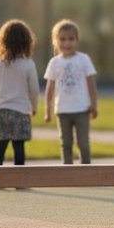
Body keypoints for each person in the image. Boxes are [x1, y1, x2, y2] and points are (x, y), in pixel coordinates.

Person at [43, 19, 98, 165]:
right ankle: (67, 173)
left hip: (82, 109)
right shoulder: (54, 63)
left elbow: (91, 85)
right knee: (65, 143)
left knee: (83, 143)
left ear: (77, 41)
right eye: (62, 39)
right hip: (62, 110)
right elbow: (50, 88)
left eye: (71, 39)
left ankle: (86, 171)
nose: (67, 43)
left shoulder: (84, 59)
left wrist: (94, 105)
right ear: (55, 41)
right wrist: (47, 110)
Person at [0, 19, 39, 168]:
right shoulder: (28, 64)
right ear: (26, 42)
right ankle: (19, 179)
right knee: (18, 144)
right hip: (21, 110)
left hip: (1, 109)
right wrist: (34, 107)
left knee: (1, 143)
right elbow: (34, 89)